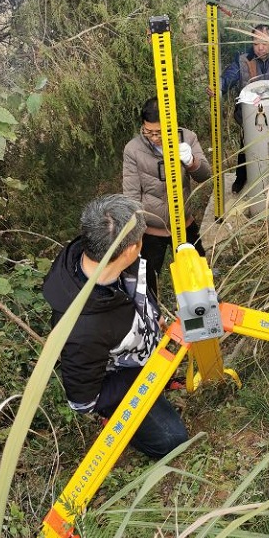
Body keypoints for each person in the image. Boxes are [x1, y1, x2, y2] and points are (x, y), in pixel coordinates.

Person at [42, 194, 189, 459]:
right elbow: (83, 401)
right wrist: (146, 374)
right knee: (172, 441)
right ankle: (117, 419)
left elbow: (136, 297)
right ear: (131, 249)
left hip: (141, 355)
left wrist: (153, 318)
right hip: (124, 376)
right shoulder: (81, 331)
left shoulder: (105, 254)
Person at [122, 97, 211, 295]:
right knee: (147, 281)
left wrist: (191, 161)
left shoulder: (187, 138)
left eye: (160, 132)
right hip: (152, 227)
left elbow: (205, 175)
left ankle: (205, 305)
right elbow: (131, 194)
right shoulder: (133, 150)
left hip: (184, 221)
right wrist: (135, 230)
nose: (154, 138)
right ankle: (153, 311)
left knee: (199, 273)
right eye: (149, 132)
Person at [212, 24, 269, 193]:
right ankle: (241, 177)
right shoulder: (243, 59)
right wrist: (219, 87)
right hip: (250, 115)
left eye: (265, 43)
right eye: (256, 43)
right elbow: (229, 76)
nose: (260, 47)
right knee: (247, 145)